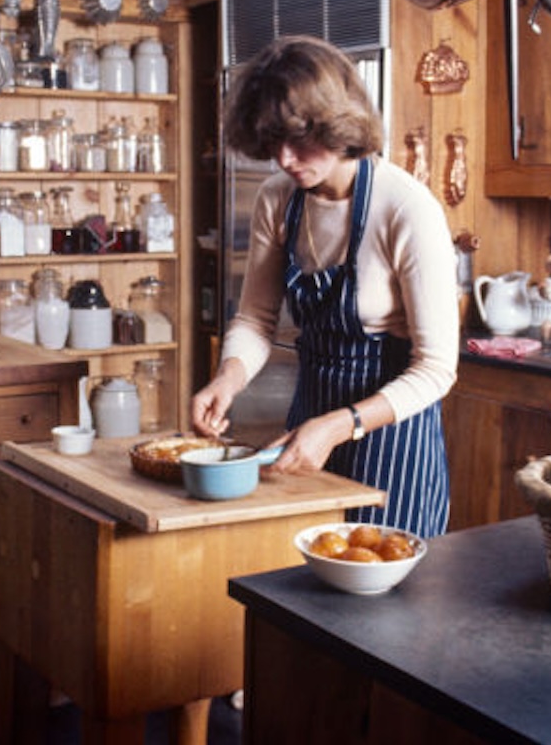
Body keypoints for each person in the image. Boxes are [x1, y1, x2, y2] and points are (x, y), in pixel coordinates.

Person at [194, 36, 458, 537]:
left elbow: (438, 369)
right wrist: (226, 379)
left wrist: (341, 426)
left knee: (377, 594)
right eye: (272, 144)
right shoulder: (279, 200)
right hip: (308, 421)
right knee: (296, 584)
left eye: (298, 140)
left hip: (390, 436)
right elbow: (255, 318)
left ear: (338, 124)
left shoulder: (405, 208)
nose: (286, 160)